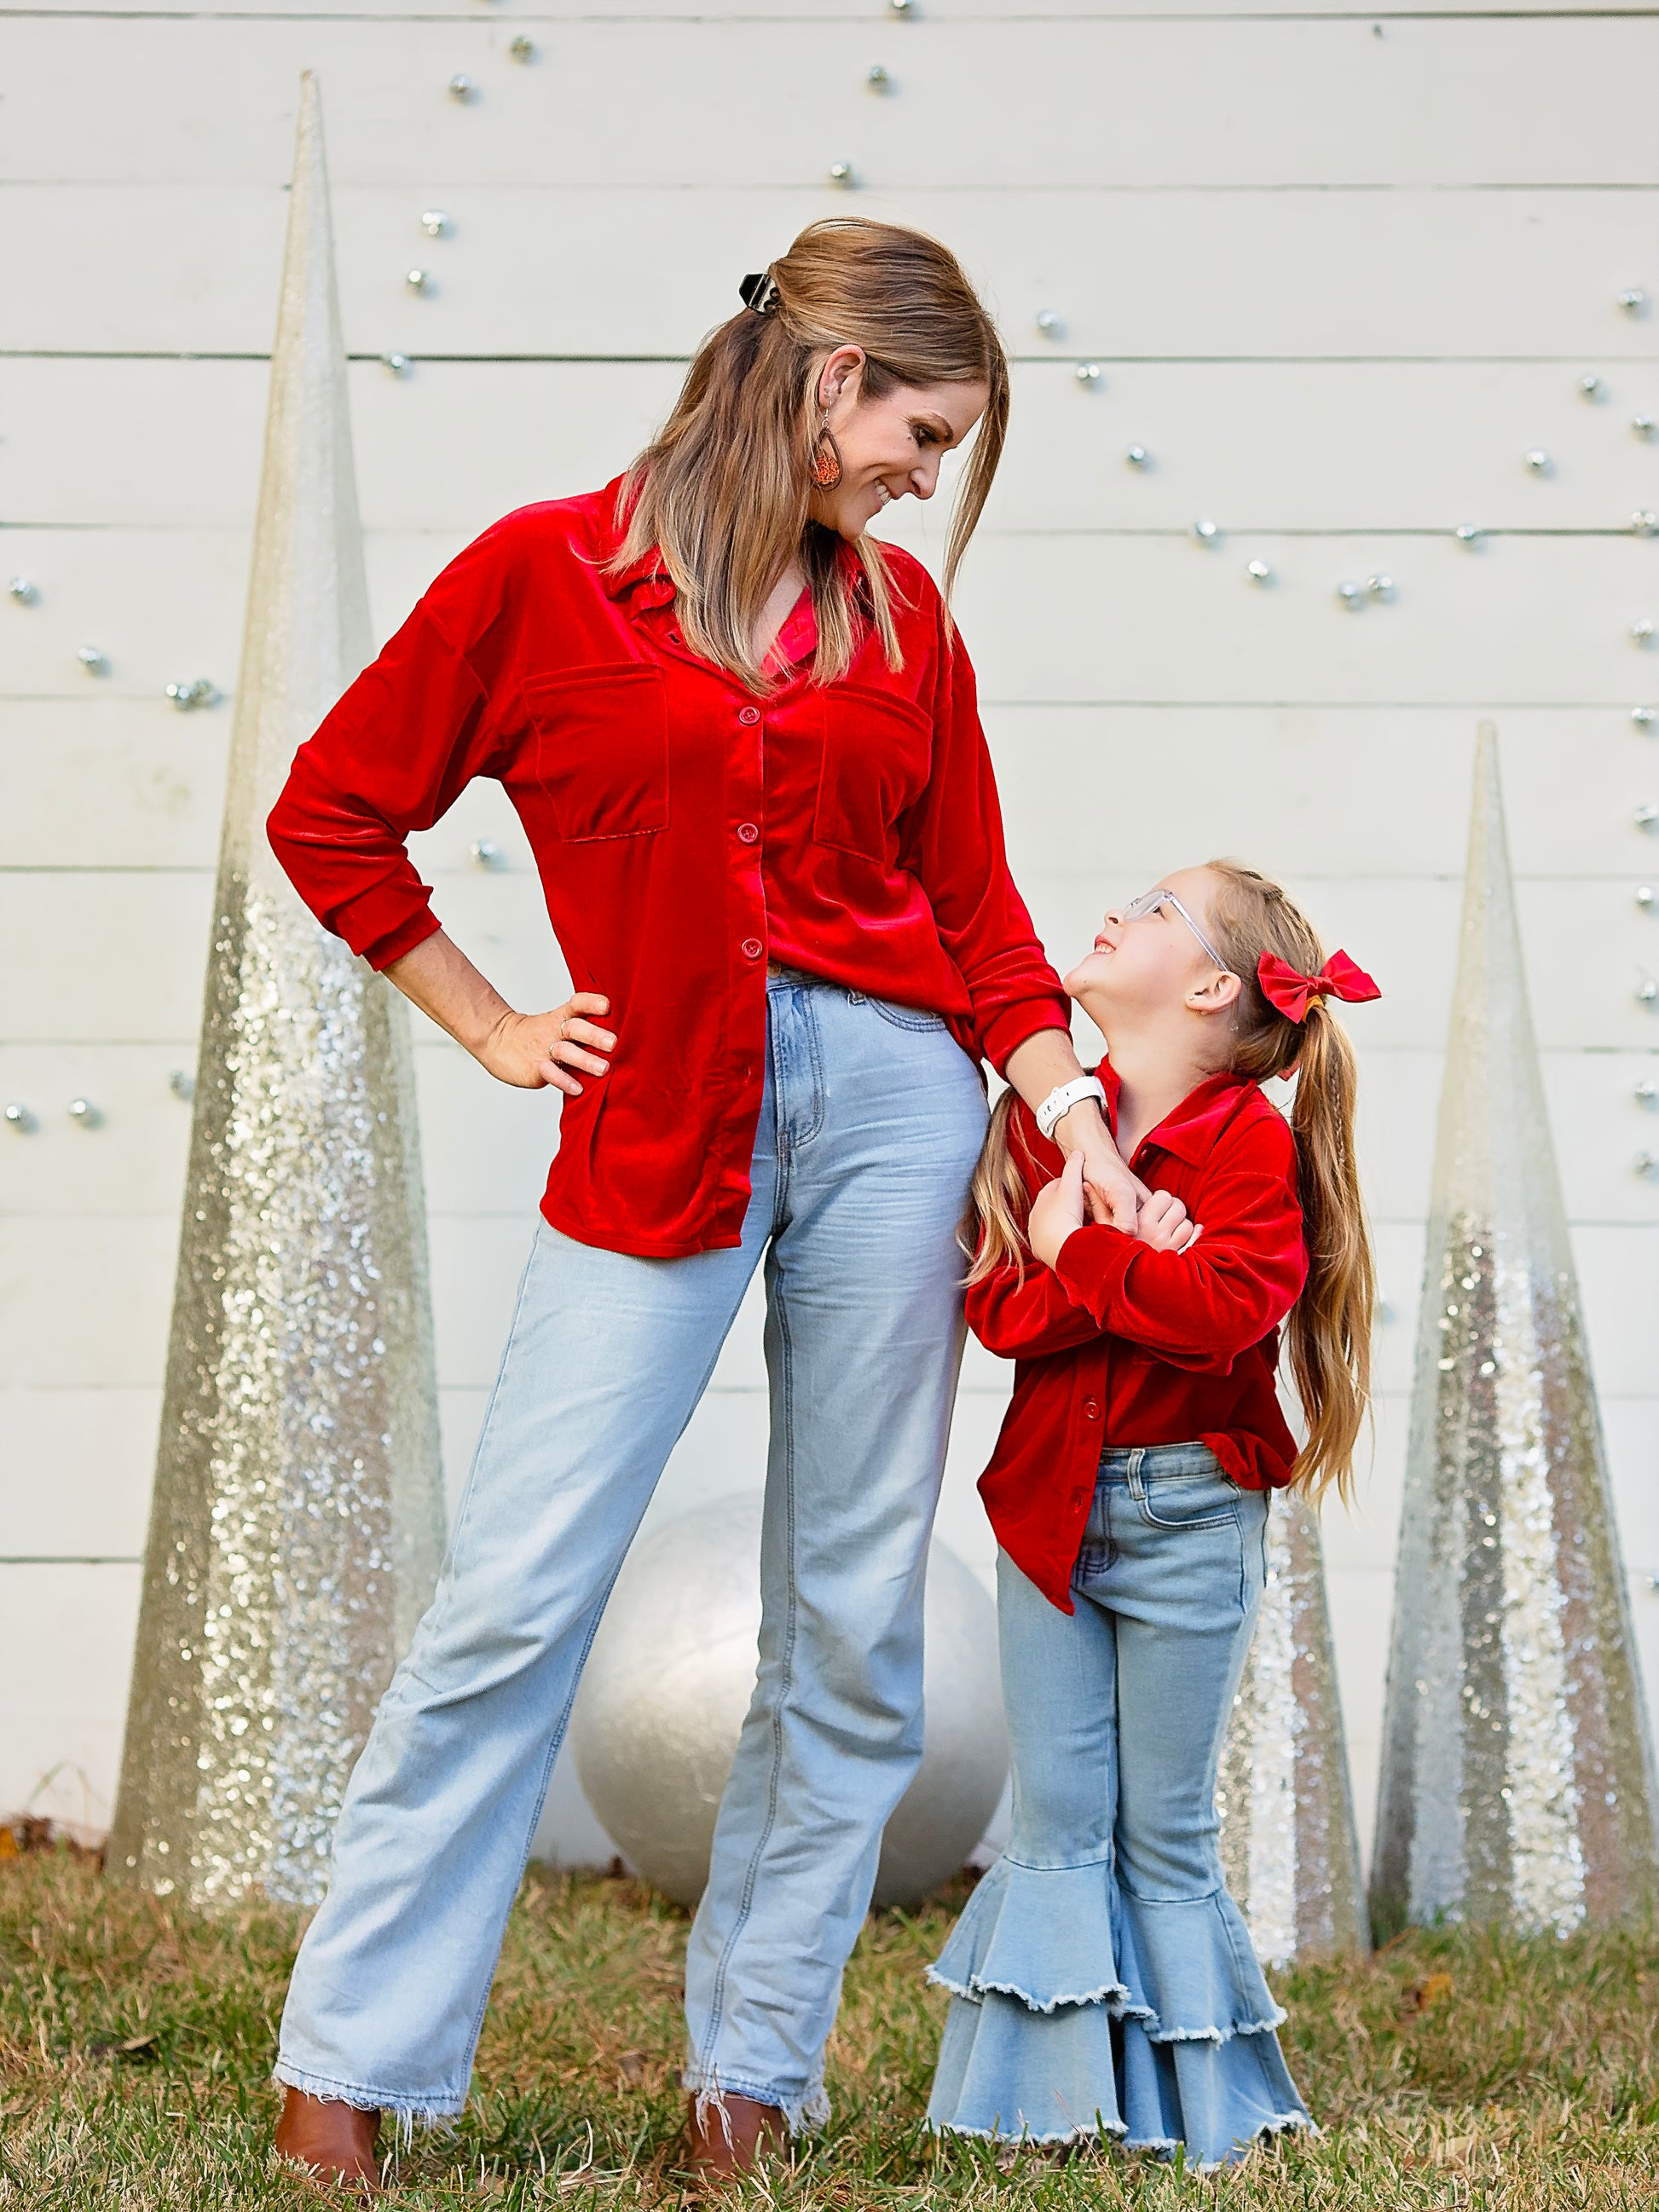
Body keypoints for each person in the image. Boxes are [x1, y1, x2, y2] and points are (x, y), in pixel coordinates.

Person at [263, 217, 1161, 2192]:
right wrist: (489, 1017)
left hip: (898, 1119)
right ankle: (354, 2059)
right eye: (923, 429)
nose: (928, 474)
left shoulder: (905, 627)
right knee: (515, 1599)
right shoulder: (540, 575)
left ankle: (748, 2073)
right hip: (653, 1121)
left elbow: (978, 917)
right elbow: (333, 808)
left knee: (850, 1620)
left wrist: (1062, 1115)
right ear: (832, 383)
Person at [925, 861, 1379, 2168]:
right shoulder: (1043, 1125)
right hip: (1045, 1517)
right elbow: (996, 1308)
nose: (1115, 907)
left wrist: (1085, 1253)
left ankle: (1197, 2115)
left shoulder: (1243, 1145)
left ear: (1206, 988)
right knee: (1059, 1817)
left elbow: (1224, 1314)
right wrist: (1114, 1260)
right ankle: (1049, 2103)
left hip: (1187, 1518)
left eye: (1156, 907)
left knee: (1160, 1828)